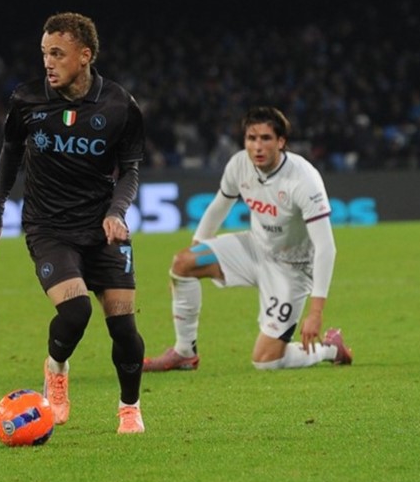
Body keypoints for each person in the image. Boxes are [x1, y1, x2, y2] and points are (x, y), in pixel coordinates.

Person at [0, 11, 148, 434]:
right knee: (75, 310)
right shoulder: (27, 100)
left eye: (58, 54)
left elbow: (130, 170)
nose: (48, 63)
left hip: (102, 228)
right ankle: (56, 368)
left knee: (124, 327)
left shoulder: (120, 106)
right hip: (49, 227)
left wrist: (116, 212)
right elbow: (10, 154)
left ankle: (129, 408)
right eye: (44, 53)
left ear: (85, 56)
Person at [144, 106, 352, 373]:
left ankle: (330, 348)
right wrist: (196, 252)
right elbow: (219, 206)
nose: (257, 146)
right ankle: (184, 353)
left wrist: (316, 313)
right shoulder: (240, 164)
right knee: (182, 262)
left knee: (265, 361)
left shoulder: (303, 179)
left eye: (266, 138)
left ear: (281, 141)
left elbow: (326, 247)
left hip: (292, 268)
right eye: (251, 138)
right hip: (255, 248)